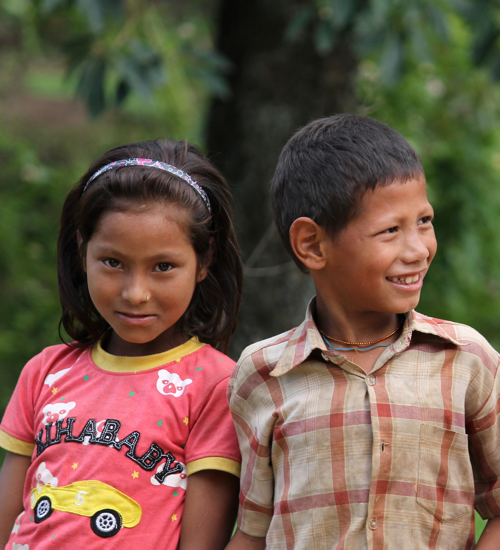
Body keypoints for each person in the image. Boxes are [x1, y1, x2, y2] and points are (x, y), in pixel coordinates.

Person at [227, 114, 500, 550]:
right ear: (313, 245)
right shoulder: (263, 374)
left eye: (424, 221)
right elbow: (253, 532)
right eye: (390, 230)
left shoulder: (467, 360)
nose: (417, 250)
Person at [0, 139, 243, 549]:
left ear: (203, 262)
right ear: (82, 249)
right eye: (113, 262)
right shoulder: (45, 372)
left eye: (163, 267)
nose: (135, 293)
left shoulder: (216, 385)